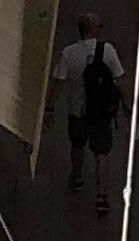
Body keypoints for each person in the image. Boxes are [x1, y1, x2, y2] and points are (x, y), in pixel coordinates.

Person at [52, 14, 128, 214]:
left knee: (77, 145)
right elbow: (120, 79)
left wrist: (49, 108)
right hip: (101, 112)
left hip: (77, 111)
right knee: (101, 153)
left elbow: (58, 82)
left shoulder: (69, 53)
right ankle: (101, 197)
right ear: (93, 30)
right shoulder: (108, 51)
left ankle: (77, 177)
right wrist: (127, 105)